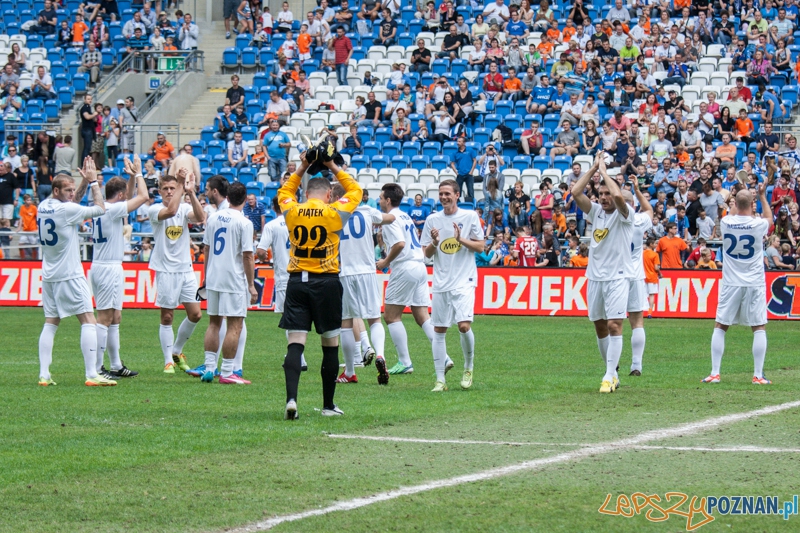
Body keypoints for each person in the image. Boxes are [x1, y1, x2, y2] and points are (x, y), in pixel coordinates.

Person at [277, 153, 361, 420]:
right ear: (328, 195)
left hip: (297, 281)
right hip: (326, 282)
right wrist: (333, 166)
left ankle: (291, 399)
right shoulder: (335, 211)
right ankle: (327, 405)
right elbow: (356, 190)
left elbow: (285, 190)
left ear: (306, 193)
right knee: (330, 344)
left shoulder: (291, 209)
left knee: (296, 343)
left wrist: (303, 165)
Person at [37, 157, 112, 387]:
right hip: (70, 274)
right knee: (88, 319)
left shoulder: (44, 206)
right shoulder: (66, 210)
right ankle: (91, 374)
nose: (71, 193)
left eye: (72, 189)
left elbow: (72, 204)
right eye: (67, 190)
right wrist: (93, 183)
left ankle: (44, 375)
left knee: (51, 322)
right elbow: (99, 208)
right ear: (57, 189)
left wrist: (80, 183)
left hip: (49, 275)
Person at [571, 153, 633, 393]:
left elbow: (618, 195)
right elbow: (576, 193)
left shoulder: (625, 215)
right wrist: (593, 168)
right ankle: (614, 372)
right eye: (601, 194)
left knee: (615, 325)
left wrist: (605, 173)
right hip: (595, 277)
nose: (605, 198)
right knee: (600, 327)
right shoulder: (595, 211)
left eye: (607, 194)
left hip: (618, 277)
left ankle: (608, 375)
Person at [703, 184, 773, 385]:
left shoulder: (726, 222)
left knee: (720, 326)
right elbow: (769, 219)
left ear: (735, 203)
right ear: (752, 205)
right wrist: (762, 196)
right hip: (753, 282)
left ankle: (715, 373)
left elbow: (734, 211)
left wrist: (737, 195)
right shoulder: (757, 224)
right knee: (759, 327)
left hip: (731, 283)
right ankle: (758, 375)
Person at [420, 180, 485, 392]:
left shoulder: (469, 216)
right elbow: (426, 254)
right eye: (441, 194)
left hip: (464, 280)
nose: (444, 197)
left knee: (464, 326)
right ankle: (440, 380)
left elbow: (481, 247)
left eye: (448, 193)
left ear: (457, 195)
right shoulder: (432, 220)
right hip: (441, 281)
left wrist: (460, 239)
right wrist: (435, 242)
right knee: (439, 330)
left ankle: (468, 367)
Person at [89, 155, 148, 381]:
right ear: (120, 195)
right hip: (108, 268)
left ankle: (115, 364)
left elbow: (130, 197)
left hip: (103, 266)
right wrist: (140, 173)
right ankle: (97, 366)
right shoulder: (111, 210)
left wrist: (131, 176)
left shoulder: (102, 207)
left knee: (115, 317)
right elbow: (142, 196)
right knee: (104, 318)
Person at [377, 183, 441, 378]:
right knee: (422, 316)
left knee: (391, 316)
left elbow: (400, 244)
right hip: (420, 266)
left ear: (388, 200)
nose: (379, 200)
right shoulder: (405, 215)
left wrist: (385, 262)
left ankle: (405, 362)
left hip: (405, 267)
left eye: (380, 197)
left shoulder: (391, 218)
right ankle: (444, 356)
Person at [149, 159, 205, 374]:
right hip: (165, 270)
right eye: (166, 188)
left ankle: (177, 351)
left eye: (173, 188)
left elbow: (201, 218)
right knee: (167, 316)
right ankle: (168, 361)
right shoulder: (155, 209)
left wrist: (190, 193)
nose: (170, 191)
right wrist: (182, 183)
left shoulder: (184, 206)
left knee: (196, 315)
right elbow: (170, 212)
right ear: (160, 192)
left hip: (186, 269)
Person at [333, 183, 394, 384]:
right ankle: (380, 355)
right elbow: (391, 218)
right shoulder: (367, 211)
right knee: (374, 318)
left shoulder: (333, 213)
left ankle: (350, 372)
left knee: (346, 323)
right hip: (367, 270)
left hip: (345, 272)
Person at [199, 181, 256, 385]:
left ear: (228, 197)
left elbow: (205, 249)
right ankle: (227, 372)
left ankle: (208, 367)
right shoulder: (245, 223)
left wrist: (206, 276)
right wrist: (251, 284)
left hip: (213, 277)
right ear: (244, 199)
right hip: (233, 279)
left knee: (214, 323)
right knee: (235, 325)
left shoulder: (213, 218)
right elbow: (248, 256)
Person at [625, 178, 653, 376]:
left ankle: (612, 367)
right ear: (633, 205)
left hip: (615, 275)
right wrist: (637, 189)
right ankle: (637, 365)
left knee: (612, 322)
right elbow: (649, 210)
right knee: (637, 321)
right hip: (635, 274)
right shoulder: (639, 219)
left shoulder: (610, 219)